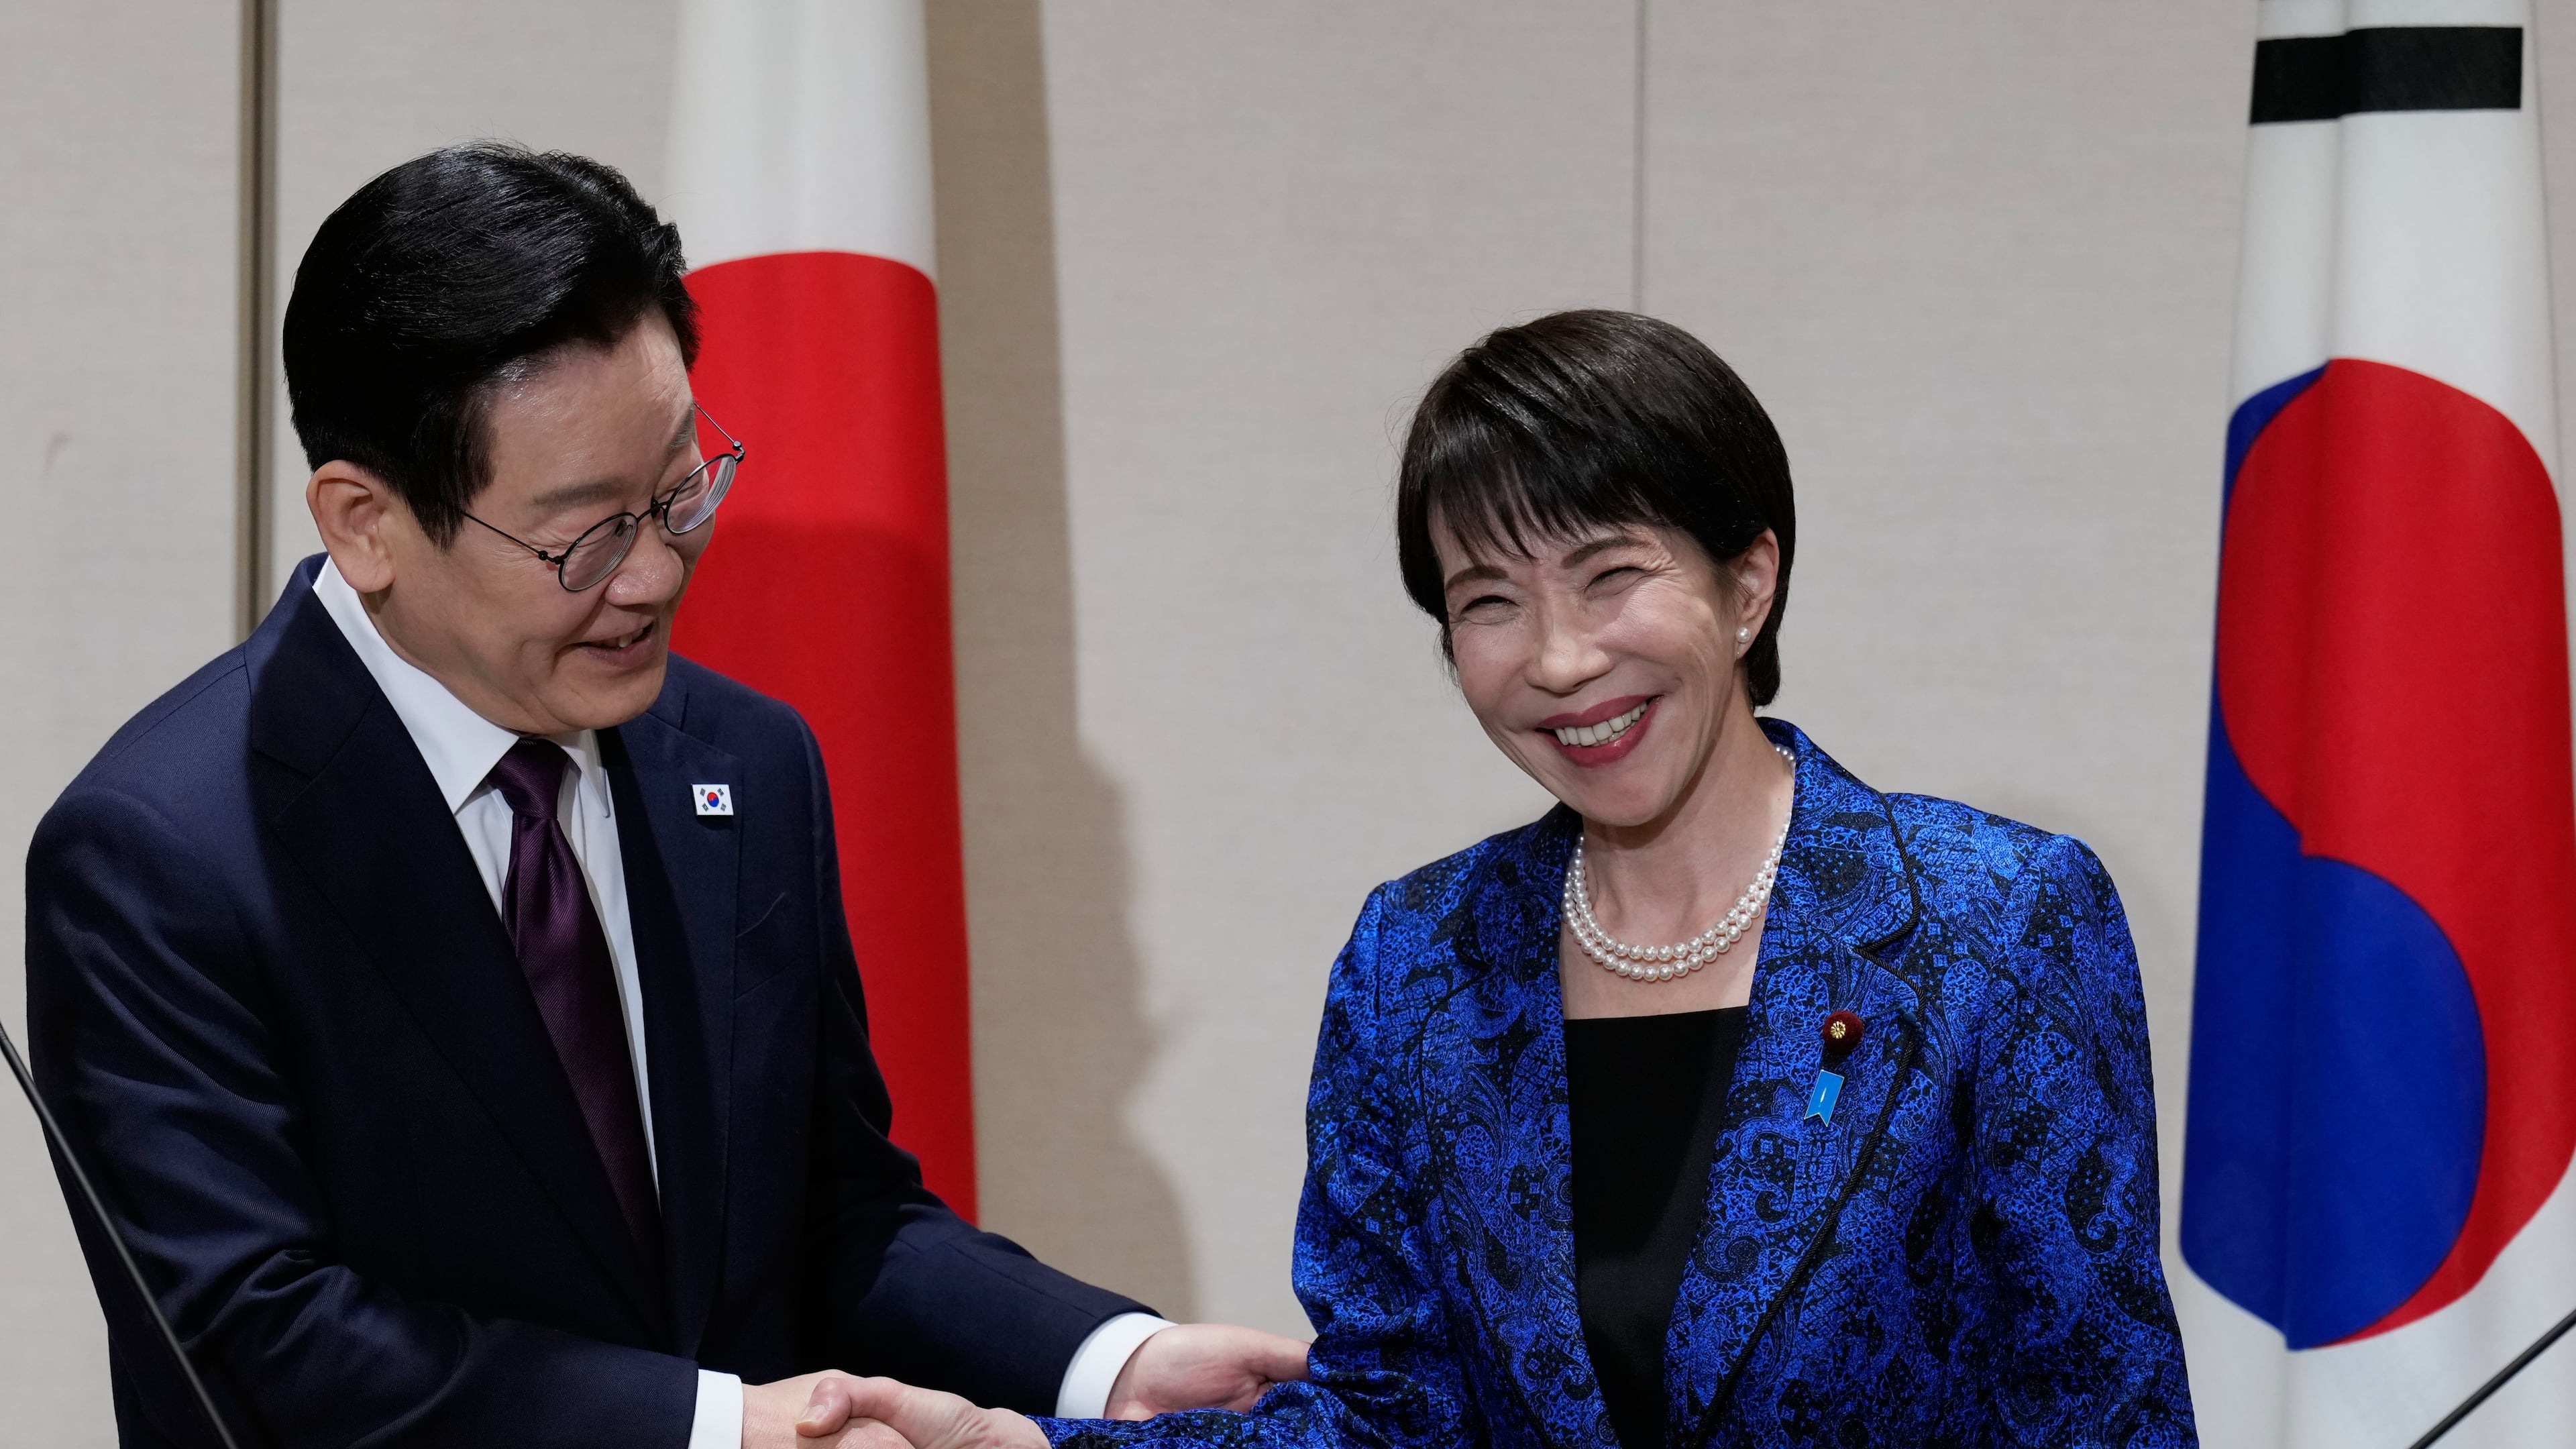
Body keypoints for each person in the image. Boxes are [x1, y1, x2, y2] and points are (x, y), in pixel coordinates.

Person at [25, 144, 1305, 1449]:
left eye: (681, 492)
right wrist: (717, 1429)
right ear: (365, 522)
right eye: (585, 534)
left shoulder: (749, 764)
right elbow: (257, 1342)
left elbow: (840, 1219)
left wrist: (1111, 1361)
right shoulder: (162, 851)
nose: (653, 578)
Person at [818, 310, 2198, 1447]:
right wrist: (1020, 1447)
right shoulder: (1416, 958)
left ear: (1748, 584)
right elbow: (1388, 1424)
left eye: (1610, 576)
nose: (1555, 660)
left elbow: (2103, 1409)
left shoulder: (1991, 921)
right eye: (1489, 601)